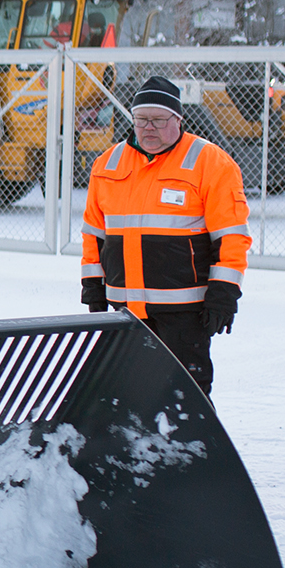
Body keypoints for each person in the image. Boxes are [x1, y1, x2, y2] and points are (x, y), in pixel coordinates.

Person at [80, 75, 248, 394]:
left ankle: (194, 446)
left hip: (183, 313)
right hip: (124, 310)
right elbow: (94, 234)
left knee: (185, 397)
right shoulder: (107, 164)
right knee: (128, 394)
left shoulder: (210, 163)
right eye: (141, 119)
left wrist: (224, 293)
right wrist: (92, 287)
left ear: (178, 120)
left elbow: (231, 237)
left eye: (158, 119)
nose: (148, 128)